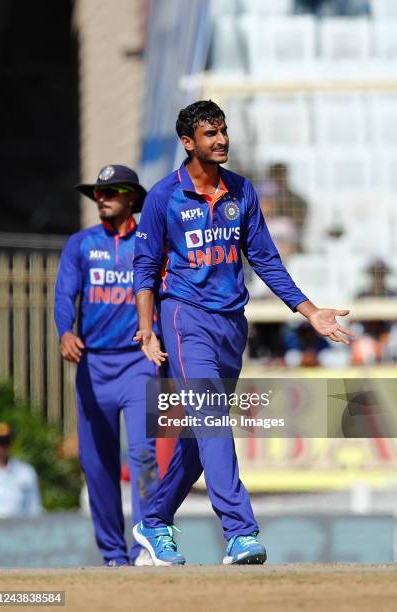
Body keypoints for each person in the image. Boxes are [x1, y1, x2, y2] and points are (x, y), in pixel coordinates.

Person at [131, 100, 353, 566]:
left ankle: (154, 520)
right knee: (212, 418)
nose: (222, 140)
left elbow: (266, 259)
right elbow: (146, 267)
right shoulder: (163, 197)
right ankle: (240, 532)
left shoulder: (241, 191)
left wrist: (309, 312)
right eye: (211, 134)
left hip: (231, 323)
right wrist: (147, 330)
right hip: (183, 317)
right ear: (189, 143)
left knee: (198, 436)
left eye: (224, 131)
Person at [54, 165, 159, 567]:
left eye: (112, 190)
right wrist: (66, 331)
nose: (102, 197)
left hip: (138, 363)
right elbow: (66, 295)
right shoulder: (81, 245)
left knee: (145, 455)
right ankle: (114, 555)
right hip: (93, 365)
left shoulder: (149, 243)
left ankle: (148, 545)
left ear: (132, 196)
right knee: (97, 464)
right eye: (98, 192)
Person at [0, 422, 42, 518]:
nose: (2, 448)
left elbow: (33, 509)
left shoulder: (26, 472)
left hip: (17, 529)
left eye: (5, 443)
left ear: (11, 444)